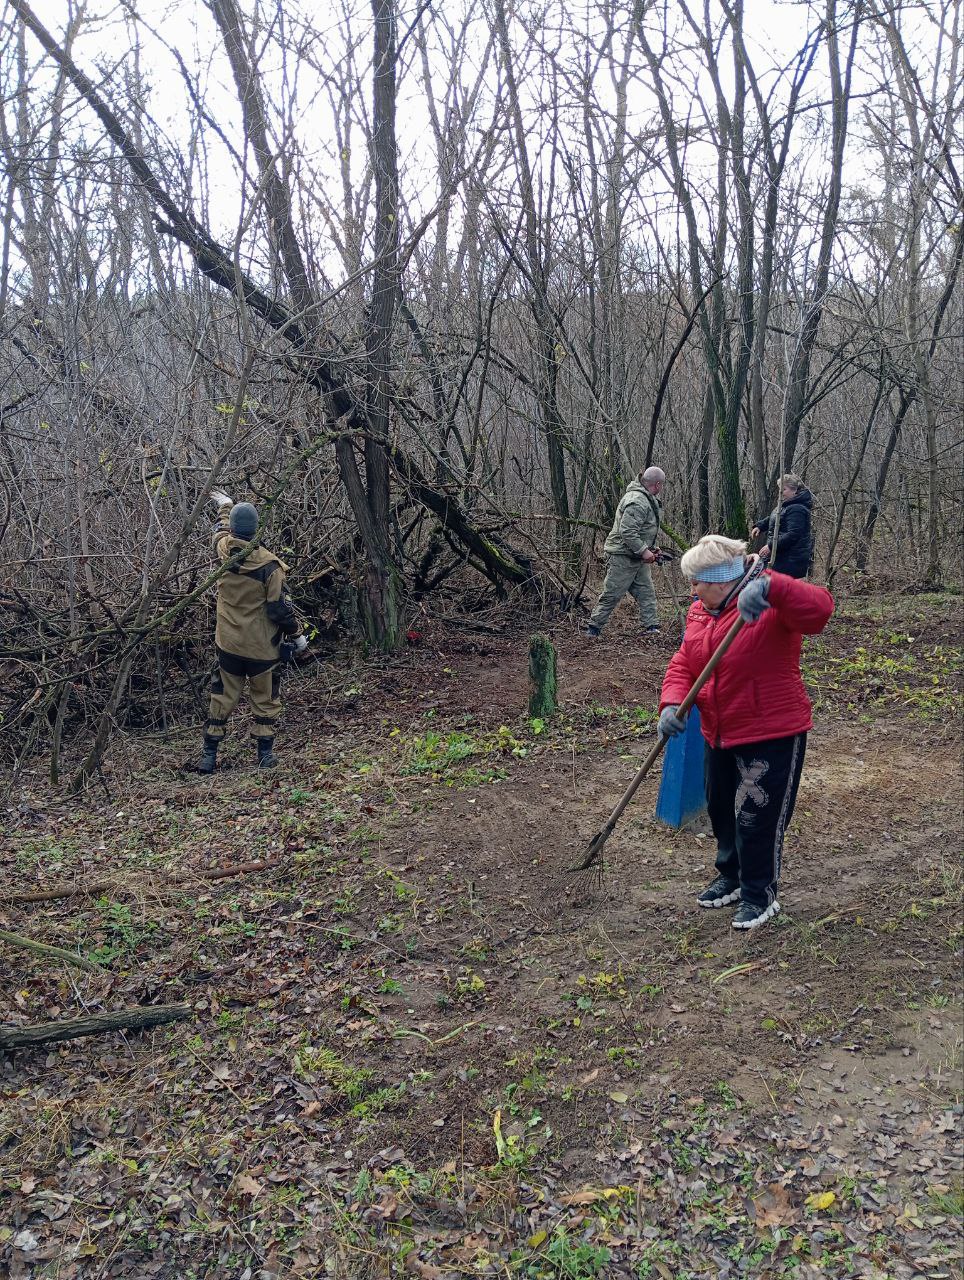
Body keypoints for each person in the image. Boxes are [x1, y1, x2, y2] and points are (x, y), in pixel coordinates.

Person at [657, 535, 833, 930]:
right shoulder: (701, 611)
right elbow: (685, 662)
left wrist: (774, 588)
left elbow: (821, 610)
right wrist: (671, 703)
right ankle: (732, 876)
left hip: (770, 731)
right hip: (720, 730)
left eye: (696, 582)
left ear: (720, 580)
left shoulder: (769, 601)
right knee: (720, 807)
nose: (691, 590)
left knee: (758, 816)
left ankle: (759, 892)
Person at [195, 491, 307, 773]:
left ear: (233, 529)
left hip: (229, 645)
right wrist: (297, 635)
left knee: (221, 698)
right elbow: (279, 610)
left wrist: (225, 506)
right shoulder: (271, 567)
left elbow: (220, 531)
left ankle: (209, 757)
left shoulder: (223, 551)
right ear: (257, 529)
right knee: (265, 699)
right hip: (262, 649)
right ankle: (264, 756)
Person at [587, 465, 666, 637]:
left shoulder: (646, 498)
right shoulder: (637, 500)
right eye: (662, 485)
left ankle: (651, 627)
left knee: (646, 592)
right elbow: (628, 531)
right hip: (622, 556)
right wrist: (645, 552)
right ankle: (593, 629)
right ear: (658, 484)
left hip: (635, 555)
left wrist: (651, 549)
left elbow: (642, 529)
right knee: (612, 593)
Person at [751, 474, 814, 579]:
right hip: (780, 557)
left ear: (794, 490)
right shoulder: (785, 505)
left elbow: (793, 535)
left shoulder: (797, 509)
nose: (780, 493)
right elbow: (774, 518)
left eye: (784, 489)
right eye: (779, 489)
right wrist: (760, 526)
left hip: (790, 560)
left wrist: (771, 546)